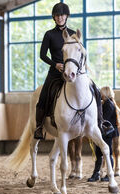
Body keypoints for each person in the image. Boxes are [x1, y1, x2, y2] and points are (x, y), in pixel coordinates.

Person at [34, 2, 113, 140]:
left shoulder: (73, 34)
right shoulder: (49, 34)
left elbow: (81, 53)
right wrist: (55, 64)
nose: (60, 18)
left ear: (66, 16)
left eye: (62, 15)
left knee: (95, 89)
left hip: (74, 73)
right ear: (54, 17)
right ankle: (39, 127)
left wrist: (80, 68)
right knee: (43, 96)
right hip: (55, 73)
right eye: (57, 15)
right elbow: (42, 55)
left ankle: (101, 122)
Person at [87, 86, 120, 182]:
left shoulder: (108, 105)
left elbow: (104, 119)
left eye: (101, 93)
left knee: (108, 153)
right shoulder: (106, 104)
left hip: (107, 134)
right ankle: (96, 173)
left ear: (105, 94)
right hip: (103, 133)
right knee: (98, 154)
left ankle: (108, 173)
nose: (100, 95)